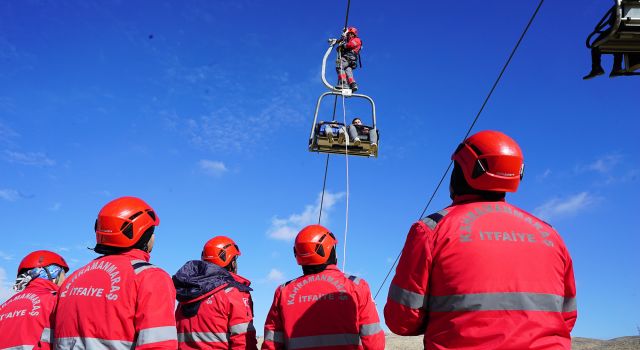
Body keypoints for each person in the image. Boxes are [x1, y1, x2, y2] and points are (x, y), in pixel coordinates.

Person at [384, 130, 577, 349]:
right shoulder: (550, 235)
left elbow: (401, 320)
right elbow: (567, 316)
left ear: (462, 170)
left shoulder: (431, 229)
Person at [54, 196, 178, 349]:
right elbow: (159, 346)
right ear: (143, 234)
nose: (153, 237)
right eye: (152, 232)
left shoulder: (71, 280)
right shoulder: (151, 277)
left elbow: (46, 342)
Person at [262, 224, 384, 350]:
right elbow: (373, 341)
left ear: (297, 253)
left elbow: (271, 344)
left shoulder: (283, 292)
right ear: (329, 250)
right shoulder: (357, 286)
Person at [174, 236, 257, 350]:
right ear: (231, 262)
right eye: (235, 259)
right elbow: (244, 342)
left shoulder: (186, 295)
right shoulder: (234, 293)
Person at [0, 250, 69, 350]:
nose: (65, 280)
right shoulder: (57, 300)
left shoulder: (3, 307)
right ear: (52, 273)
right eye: (63, 274)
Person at [584, 4, 624, 79]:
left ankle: (597, 67)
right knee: (621, 43)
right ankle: (617, 66)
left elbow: (612, 22)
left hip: (619, 30)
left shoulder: (620, 4)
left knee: (595, 44)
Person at [336, 27, 362, 91]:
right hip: (351, 61)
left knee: (339, 65)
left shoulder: (357, 40)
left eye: (349, 34)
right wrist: (343, 37)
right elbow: (347, 43)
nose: (348, 35)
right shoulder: (349, 40)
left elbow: (350, 45)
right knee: (348, 71)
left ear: (353, 34)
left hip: (349, 58)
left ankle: (343, 83)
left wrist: (343, 46)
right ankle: (352, 84)